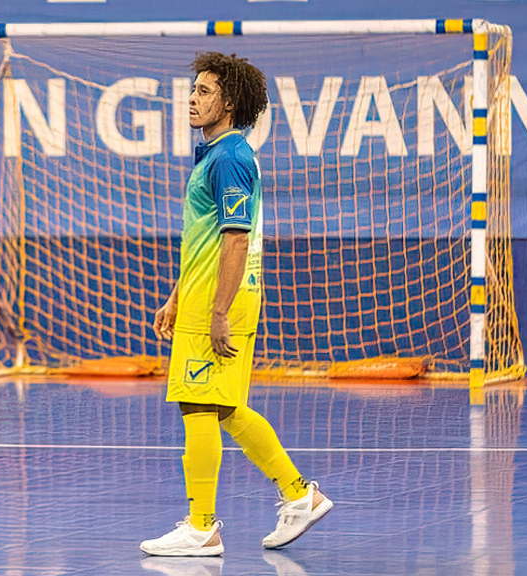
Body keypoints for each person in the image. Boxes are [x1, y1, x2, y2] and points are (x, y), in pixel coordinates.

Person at [140, 53, 332, 557]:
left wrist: (218, 311)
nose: (192, 99)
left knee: (198, 404)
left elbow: (235, 239)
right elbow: (203, 240)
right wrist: (177, 296)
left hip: (220, 301)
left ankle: (202, 527)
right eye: (193, 89)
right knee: (224, 408)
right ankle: (299, 495)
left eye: (204, 91)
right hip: (206, 295)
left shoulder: (229, 158)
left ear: (229, 103)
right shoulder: (217, 154)